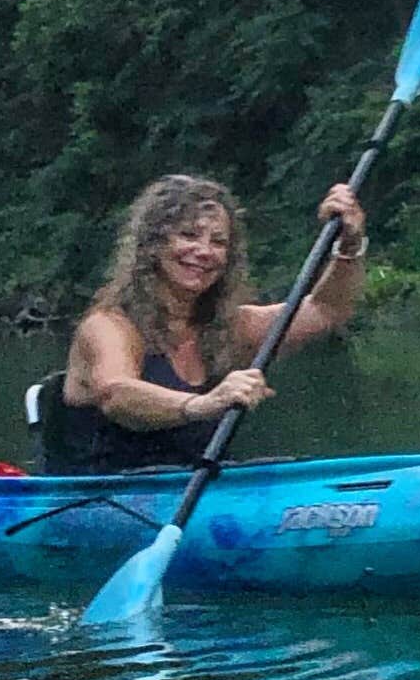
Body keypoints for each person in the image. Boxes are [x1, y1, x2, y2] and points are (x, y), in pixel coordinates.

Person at [48, 173, 369, 473]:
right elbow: (115, 394)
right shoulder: (108, 325)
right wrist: (203, 404)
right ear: (153, 245)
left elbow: (326, 309)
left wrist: (349, 245)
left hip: (203, 490)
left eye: (218, 242)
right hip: (104, 495)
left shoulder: (230, 328)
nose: (204, 251)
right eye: (188, 235)